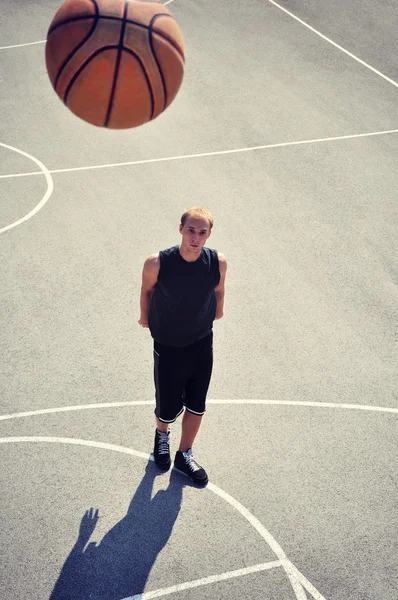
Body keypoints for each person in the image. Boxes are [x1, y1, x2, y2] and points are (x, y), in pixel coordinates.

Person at [138, 207, 227, 486]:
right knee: (166, 404)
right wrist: (144, 317)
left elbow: (219, 290)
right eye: (191, 230)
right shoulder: (158, 262)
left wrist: (218, 312)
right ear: (180, 229)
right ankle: (162, 435)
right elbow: (147, 290)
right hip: (168, 344)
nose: (195, 237)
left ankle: (184, 454)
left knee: (197, 404)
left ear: (209, 234)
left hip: (201, 341)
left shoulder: (217, 262)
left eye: (202, 232)